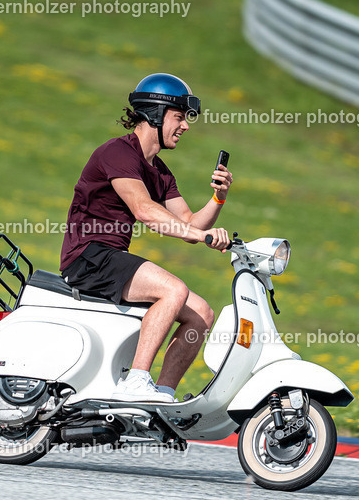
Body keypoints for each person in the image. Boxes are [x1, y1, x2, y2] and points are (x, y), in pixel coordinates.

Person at [59, 73, 232, 403]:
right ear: (155, 113)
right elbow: (144, 210)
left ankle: (162, 395)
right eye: (179, 117)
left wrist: (218, 199)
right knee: (174, 289)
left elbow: (189, 224)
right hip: (89, 257)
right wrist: (202, 234)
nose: (185, 126)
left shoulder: (160, 171)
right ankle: (136, 382)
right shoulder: (118, 153)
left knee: (202, 314)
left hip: (111, 259)